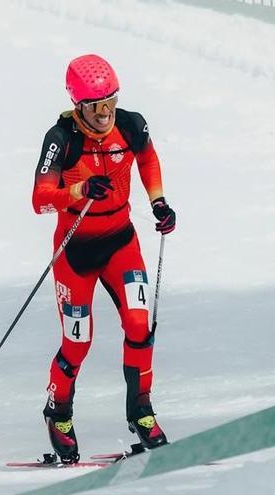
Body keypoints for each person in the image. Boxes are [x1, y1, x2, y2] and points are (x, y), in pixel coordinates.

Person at [31, 54, 176, 463]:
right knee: (78, 342)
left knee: (138, 322)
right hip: (75, 250)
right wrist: (76, 193)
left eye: (111, 101)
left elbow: (147, 159)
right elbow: (39, 200)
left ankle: (142, 411)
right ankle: (58, 414)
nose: (106, 113)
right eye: (97, 106)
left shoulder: (131, 125)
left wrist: (159, 203)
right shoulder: (61, 138)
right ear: (79, 107)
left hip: (120, 241)